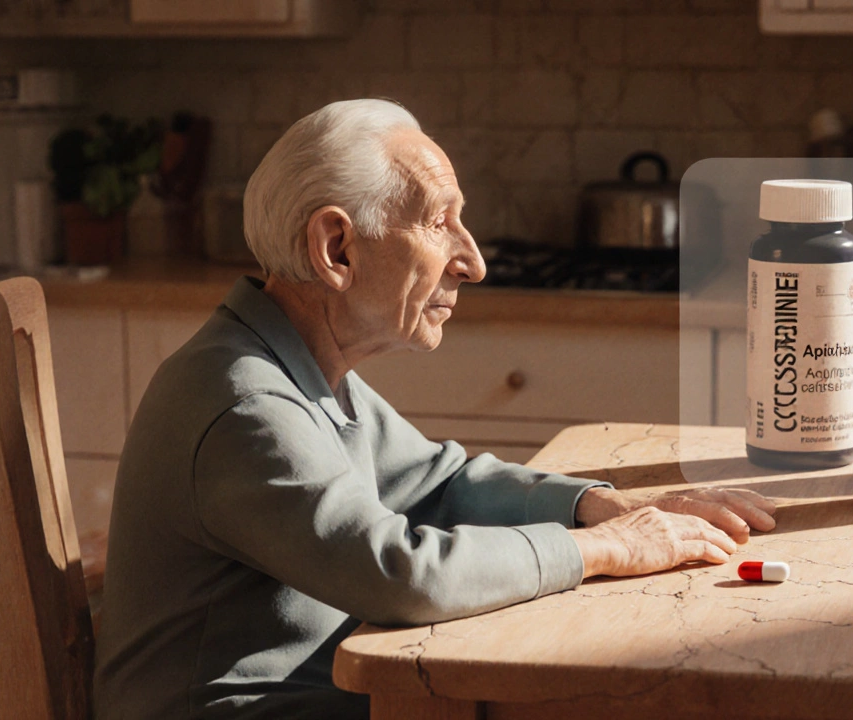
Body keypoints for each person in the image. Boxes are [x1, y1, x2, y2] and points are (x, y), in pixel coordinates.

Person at [93, 99, 777, 719]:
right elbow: (399, 573)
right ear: (336, 249)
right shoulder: (245, 402)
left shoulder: (295, 364)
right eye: (440, 221)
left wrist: (603, 507)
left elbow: (437, 484)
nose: (473, 261)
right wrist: (604, 549)